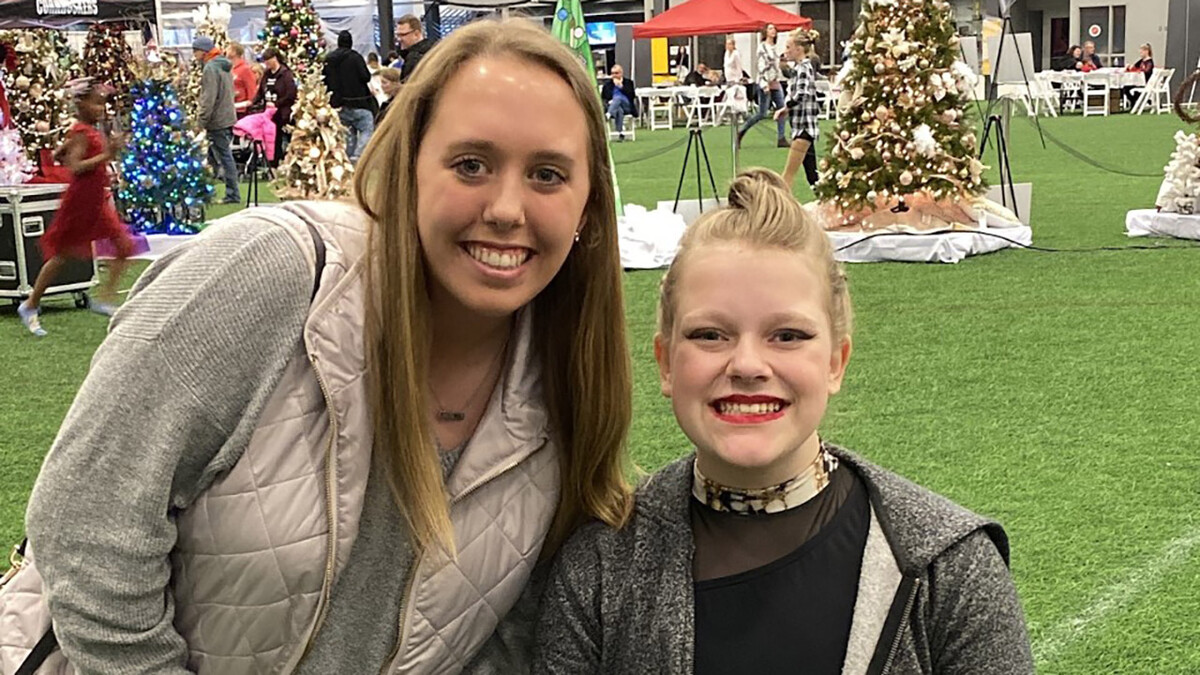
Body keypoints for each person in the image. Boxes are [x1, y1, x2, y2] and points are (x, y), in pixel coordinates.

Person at [5, 17, 633, 675]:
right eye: (470, 164)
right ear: (407, 163)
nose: (507, 207)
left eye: (548, 174)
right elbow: (86, 526)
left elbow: (503, 642)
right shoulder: (272, 271)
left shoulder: (567, 397)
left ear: (589, 203)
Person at [532, 168, 1035, 674]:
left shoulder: (948, 570)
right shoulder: (600, 566)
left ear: (836, 361)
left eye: (788, 335)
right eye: (710, 334)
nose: (748, 365)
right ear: (665, 362)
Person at [17, 82, 134, 337]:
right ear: (81, 105)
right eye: (95, 103)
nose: (101, 108)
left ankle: (104, 299)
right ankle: (30, 304)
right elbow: (76, 167)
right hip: (81, 201)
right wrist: (108, 155)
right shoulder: (82, 130)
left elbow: (62, 156)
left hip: (94, 200)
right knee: (62, 254)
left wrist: (64, 150)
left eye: (102, 103)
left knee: (125, 246)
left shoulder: (84, 131)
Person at [194, 35, 240, 204]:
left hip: (217, 119)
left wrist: (201, 121)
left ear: (203, 52)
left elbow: (209, 98)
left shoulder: (210, 69)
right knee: (219, 156)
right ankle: (217, 192)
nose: (194, 55)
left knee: (224, 156)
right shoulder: (224, 66)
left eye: (196, 51)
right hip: (227, 115)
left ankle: (232, 194)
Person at [774, 29, 820, 189]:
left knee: (787, 175)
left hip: (803, 129)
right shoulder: (801, 68)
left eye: (788, 47)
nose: (786, 51)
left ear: (799, 49)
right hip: (803, 128)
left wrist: (784, 109)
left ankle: (781, 209)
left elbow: (801, 93)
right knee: (813, 177)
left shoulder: (804, 68)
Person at [323, 30, 377, 161]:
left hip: (338, 104)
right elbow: (366, 77)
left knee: (347, 133)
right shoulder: (355, 57)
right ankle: (359, 156)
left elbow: (324, 79)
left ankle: (346, 159)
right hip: (359, 102)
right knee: (367, 128)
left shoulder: (329, 59)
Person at [737, 23, 786, 148]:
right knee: (762, 113)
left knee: (782, 109)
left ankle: (781, 138)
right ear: (765, 32)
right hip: (765, 82)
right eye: (770, 29)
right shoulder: (762, 48)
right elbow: (760, 66)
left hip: (776, 81)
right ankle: (742, 131)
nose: (773, 31)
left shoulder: (775, 47)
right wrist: (764, 83)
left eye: (774, 28)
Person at [249, 47, 297, 166]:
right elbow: (261, 91)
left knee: (281, 141)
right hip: (268, 115)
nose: (265, 64)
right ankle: (272, 164)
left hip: (282, 114)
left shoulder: (286, 74)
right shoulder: (266, 74)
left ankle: (282, 163)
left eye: (267, 60)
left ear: (275, 59)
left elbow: (290, 94)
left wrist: (276, 104)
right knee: (271, 141)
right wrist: (252, 103)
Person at [600, 63, 638, 141]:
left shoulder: (628, 82)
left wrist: (621, 87)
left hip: (626, 106)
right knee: (619, 110)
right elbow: (604, 98)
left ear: (621, 73)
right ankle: (621, 133)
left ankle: (608, 114)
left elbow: (632, 96)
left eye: (616, 73)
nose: (614, 75)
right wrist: (610, 102)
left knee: (618, 98)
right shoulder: (607, 85)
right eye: (612, 73)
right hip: (614, 106)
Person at [397, 14, 434, 83]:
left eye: (403, 35)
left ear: (416, 34)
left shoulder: (414, 58)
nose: (399, 39)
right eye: (398, 35)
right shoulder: (434, 50)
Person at [226, 41, 258, 117]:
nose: (225, 51)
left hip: (242, 111)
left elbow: (252, 91)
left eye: (228, 49)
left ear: (234, 52)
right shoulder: (230, 69)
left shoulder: (245, 69)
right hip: (230, 109)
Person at [1123, 43, 1155, 107]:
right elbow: (1134, 66)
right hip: (1138, 81)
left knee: (1128, 89)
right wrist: (1129, 67)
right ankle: (1134, 101)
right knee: (1125, 88)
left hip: (1145, 82)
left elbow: (1147, 71)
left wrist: (1140, 71)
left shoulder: (1149, 62)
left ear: (1146, 51)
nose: (1140, 53)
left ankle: (1139, 101)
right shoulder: (1141, 61)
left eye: (1142, 52)